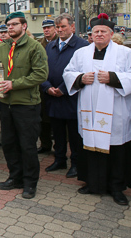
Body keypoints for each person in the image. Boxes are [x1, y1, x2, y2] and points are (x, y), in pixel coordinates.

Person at [63, 13, 131, 206]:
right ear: (91, 35)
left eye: (103, 31)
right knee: (90, 148)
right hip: (89, 112)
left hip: (116, 113)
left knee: (115, 150)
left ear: (111, 33)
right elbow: (68, 72)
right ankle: (92, 183)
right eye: (95, 32)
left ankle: (117, 187)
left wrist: (113, 79)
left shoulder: (126, 53)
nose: (99, 34)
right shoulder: (82, 53)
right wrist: (80, 79)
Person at [0, 11, 48, 199]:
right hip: (6, 103)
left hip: (26, 104)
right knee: (9, 143)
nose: (10, 28)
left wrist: (13, 84)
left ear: (24, 26)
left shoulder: (34, 47)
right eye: (8, 25)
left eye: (14, 24)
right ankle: (15, 177)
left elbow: (40, 75)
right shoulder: (2, 47)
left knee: (27, 145)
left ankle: (30, 183)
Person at [41, 14, 88, 179]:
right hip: (52, 96)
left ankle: (76, 163)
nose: (60, 30)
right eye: (58, 27)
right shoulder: (51, 46)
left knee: (74, 134)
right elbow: (43, 70)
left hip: (72, 97)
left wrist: (63, 89)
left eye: (63, 27)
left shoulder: (83, 46)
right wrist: (47, 87)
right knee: (57, 132)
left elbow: (83, 73)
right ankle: (59, 159)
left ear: (72, 27)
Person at [37, 19, 57, 154]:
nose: (46, 30)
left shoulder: (58, 42)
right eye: (44, 28)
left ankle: (58, 146)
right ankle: (45, 144)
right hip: (42, 86)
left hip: (57, 86)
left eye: (49, 27)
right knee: (42, 118)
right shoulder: (39, 44)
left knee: (56, 119)